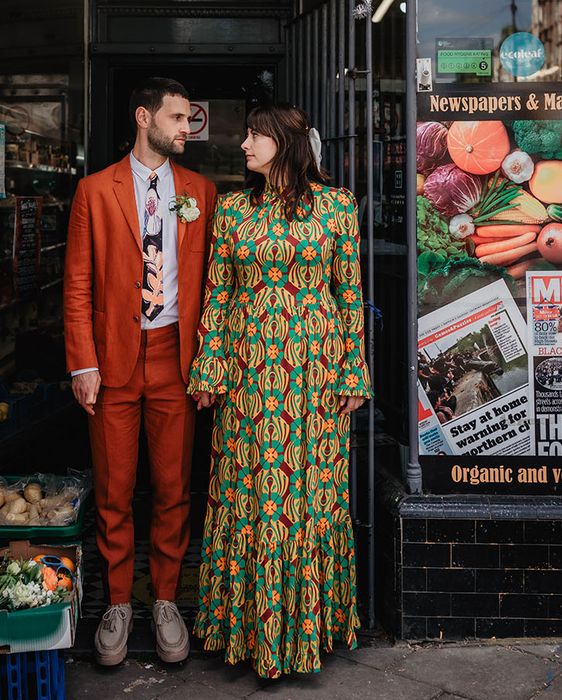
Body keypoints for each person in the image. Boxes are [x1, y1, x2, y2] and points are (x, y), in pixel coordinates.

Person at [188, 103, 372, 678]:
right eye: (245, 135)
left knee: (308, 500)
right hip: (246, 380)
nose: (243, 145)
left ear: (285, 143)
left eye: (253, 135)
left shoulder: (337, 206)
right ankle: (245, 633)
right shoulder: (233, 209)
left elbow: (349, 296)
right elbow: (218, 295)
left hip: (313, 381)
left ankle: (306, 632)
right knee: (247, 496)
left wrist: (353, 372)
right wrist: (209, 367)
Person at [64, 77, 217, 666]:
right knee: (115, 492)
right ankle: (119, 602)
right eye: (178, 119)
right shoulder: (94, 191)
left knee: (175, 491)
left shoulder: (199, 190)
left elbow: (212, 285)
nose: (186, 130)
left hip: (178, 361)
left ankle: (168, 601)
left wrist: (208, 360)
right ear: (143, 117)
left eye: (188, 120)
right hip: (115, 363)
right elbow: (78, 284)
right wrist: (83, 361)